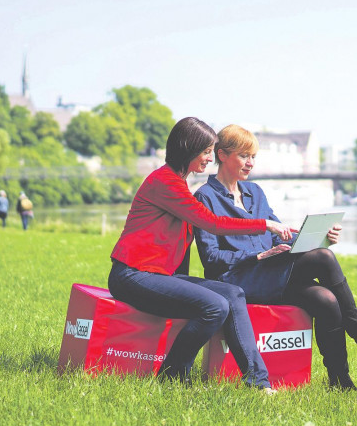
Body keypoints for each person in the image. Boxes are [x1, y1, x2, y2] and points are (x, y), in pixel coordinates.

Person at [193, 124, 357, 391]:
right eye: (244, 156)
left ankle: (339, 379)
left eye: (253, 157)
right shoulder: (205, 197)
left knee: (326, 299)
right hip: (238, 279)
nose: (250, 163)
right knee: (322, 258)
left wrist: (317, 238)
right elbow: (211, 259)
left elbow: (279, 236)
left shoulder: (255, 193)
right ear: (223, 154)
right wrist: (258, 254)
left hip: (270, 273)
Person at [107, 117, 295, 391]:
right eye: (206, 152)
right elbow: (213, 223)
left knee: (232, 293)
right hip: (132, 275)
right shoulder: (165, 183)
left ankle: (258, 382)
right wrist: (265, 224)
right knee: (214, 306)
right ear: (188, 148)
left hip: (157, 275)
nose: (210, 159)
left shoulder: (179, 184)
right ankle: (172, 375)